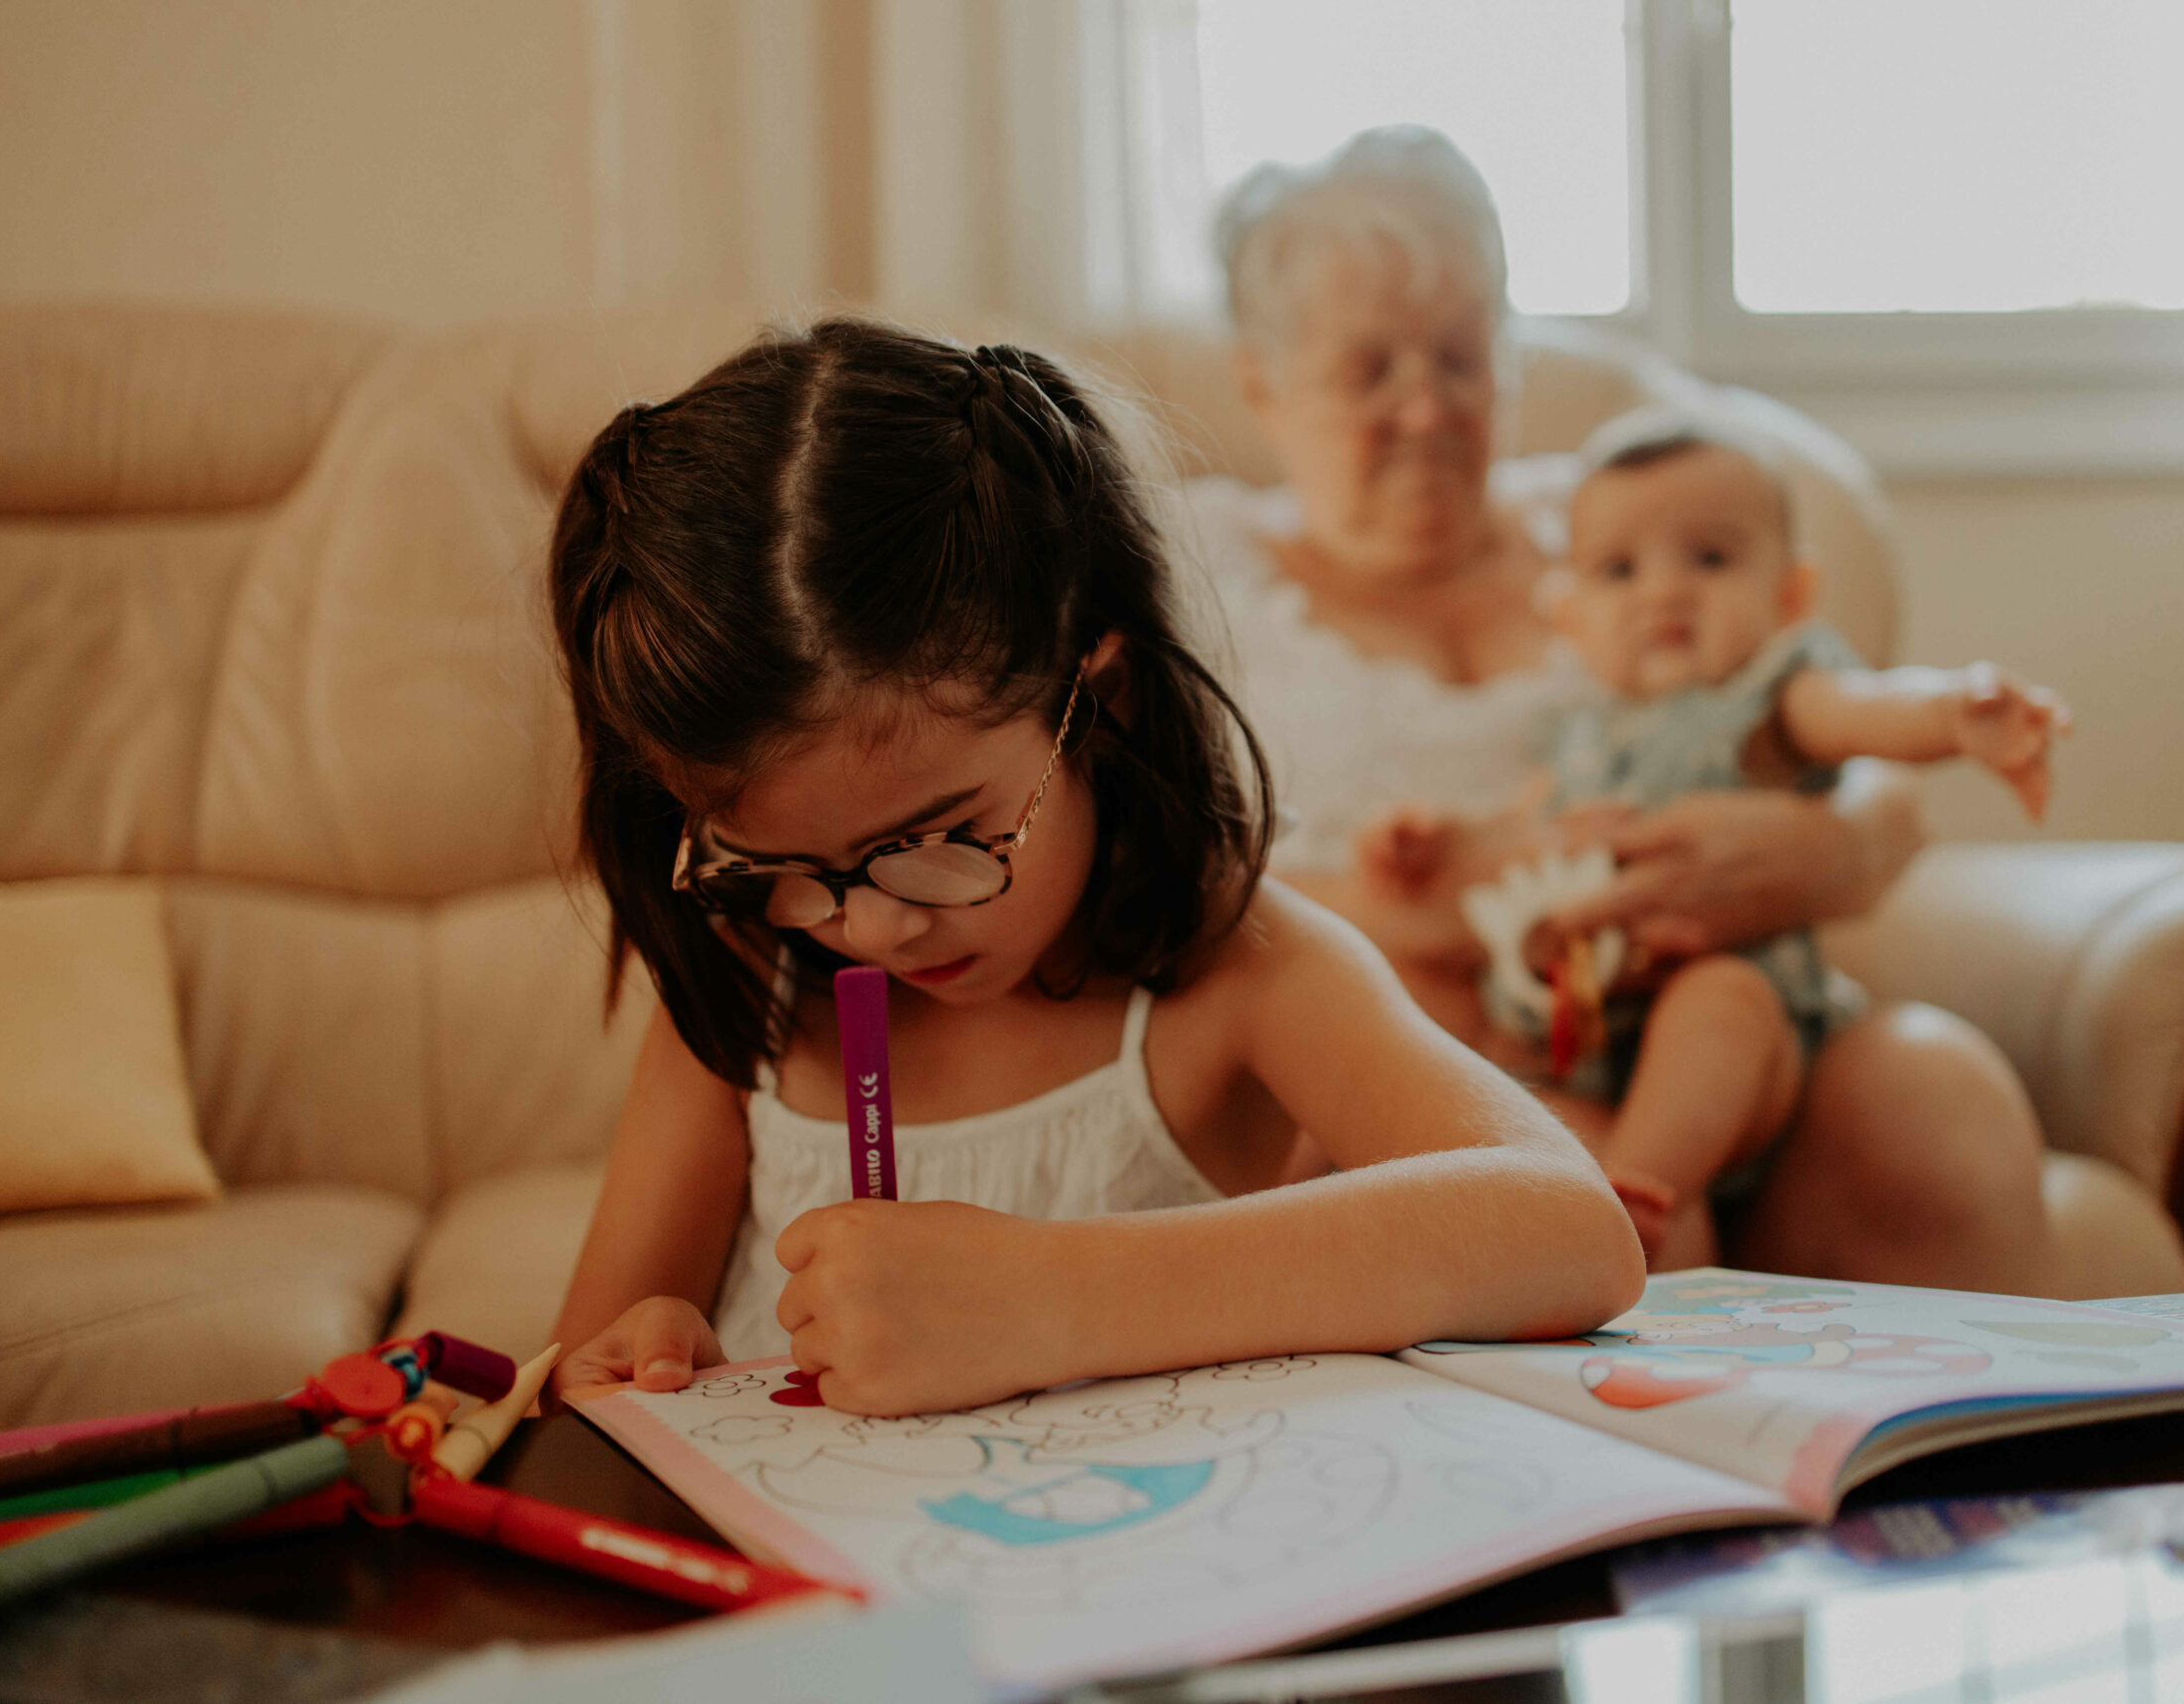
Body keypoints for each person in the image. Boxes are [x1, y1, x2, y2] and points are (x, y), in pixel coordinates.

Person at [541, 319, 1644, 1418]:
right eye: (780, 864)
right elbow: (581, 1377)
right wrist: (642, 1356)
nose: (871, 930)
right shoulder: (750, 979)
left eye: (935, 842)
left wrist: (1049, 1296)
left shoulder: (1242, 974)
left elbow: (1570, 1231)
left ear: (1096, 701)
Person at [1192, 125, 2079, 1295]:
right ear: (1262, 381)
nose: (1426, 411)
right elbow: (1129, 877)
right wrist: (1449, 898)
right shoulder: (1194, 565)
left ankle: (1968, 1475)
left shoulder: (1626, 525)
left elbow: (1826, 718)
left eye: (1461, 359)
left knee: (1936, 1095)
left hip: (1705, 1004)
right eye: (1370, 372)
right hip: (1411, 1033)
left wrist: (1827, 847)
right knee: (1591, 1190)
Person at [1355, 415, 2071, 1270]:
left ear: (1790, 596)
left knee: (1720, 995)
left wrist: (1953, 711)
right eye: (1621, 570)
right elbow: (1530, 831)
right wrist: (1438, 836)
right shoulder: (1574, 732)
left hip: (1747, 1052)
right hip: (1592, 1036)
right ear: (1572, 617)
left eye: (1710, 558)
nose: (1664, 593)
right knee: (1485, 1048)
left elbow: (1865, 709)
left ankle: (1637, 1190)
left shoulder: (1769, 700)